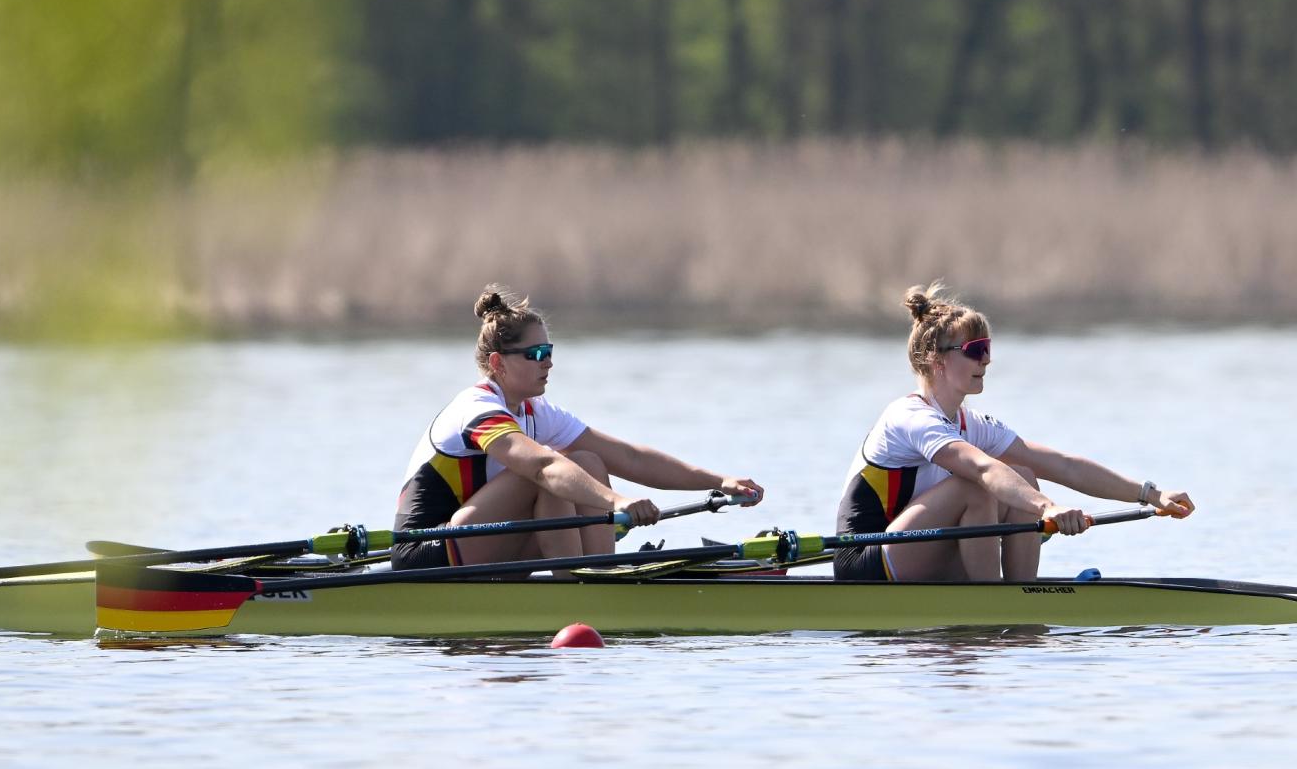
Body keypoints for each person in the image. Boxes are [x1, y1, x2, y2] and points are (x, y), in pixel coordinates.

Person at [834, 281, 1193, 582]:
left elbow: (1065, 465)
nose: (986, 360)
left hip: (915, 551)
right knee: (978, 486)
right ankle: (995, 606)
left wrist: (1151, 494)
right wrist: (1048, 507)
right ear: (937, 360)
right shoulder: (909, 416)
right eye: (974, 350)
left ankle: (1021, 595)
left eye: (987, 348)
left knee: (1023, 477)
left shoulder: (972, 425)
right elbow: (982, 469)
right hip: (864, 561)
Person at [392, 284, 765, 573]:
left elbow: (630, 457)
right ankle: (575, 589)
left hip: (480, 543)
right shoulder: (477, 409)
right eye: (536, 355)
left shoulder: (536, 412)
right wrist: (617, 502)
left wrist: (719, 481)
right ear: (498, 363)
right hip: (425, 552)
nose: (548, 363)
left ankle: (598, 575)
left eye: (549, 352)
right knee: (546, 471)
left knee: (587, 460)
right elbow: (543, 468)